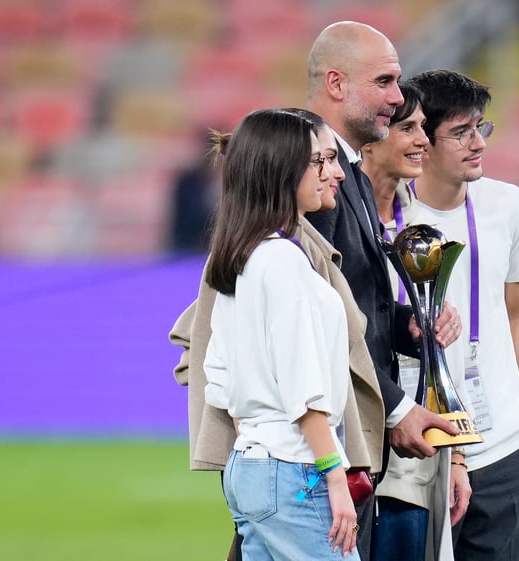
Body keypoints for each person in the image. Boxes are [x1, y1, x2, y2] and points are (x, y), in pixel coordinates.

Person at [169, 109, 385, 561]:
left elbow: (219, 379)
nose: (336, 173)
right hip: (296, 471)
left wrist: (260, 446)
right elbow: (304, 393)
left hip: (251, 468)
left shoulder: (243, 255)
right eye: (320, 162)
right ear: (282, 171)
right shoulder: (285, 263)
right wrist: (333, 475)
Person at [303, 21, 463, 559]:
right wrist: (395, 409)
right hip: (321, 448)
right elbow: (314, 319)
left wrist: (406, 323)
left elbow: (350, 300)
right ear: (336, 83)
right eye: (386, 82)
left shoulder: (347, 171)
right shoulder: (308, 171)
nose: (397, 99)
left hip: (351, 440)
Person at [407, 69, 519, 561]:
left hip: (504, 443)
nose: (478, 144)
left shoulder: (509, 205)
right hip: (419, 451)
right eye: (461, 132)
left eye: (481, 128)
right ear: (423, 139)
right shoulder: (389, 219)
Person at [360, 81, 470, 561]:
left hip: (418, 443)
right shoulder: (332, 212)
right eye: (409, 128)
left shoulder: (423, 218)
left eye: (424, 127)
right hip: (362, 432)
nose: (424, 140)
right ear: (373, 134)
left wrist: (430, 322)